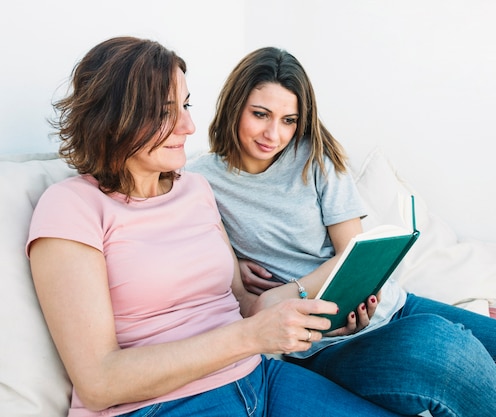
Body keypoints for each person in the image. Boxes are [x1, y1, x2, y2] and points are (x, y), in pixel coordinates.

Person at [186, 46, 496, 417]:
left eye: (289, 120)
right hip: (321, 346)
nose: (274, 134)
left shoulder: (315, 157)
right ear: (233, 105)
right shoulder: (201, 181)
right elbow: (234, 292)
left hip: (390, 307)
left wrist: (291, 292)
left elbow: (351, 252)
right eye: (260, 114)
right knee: (438, 349)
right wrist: (251, 276)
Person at [26, 37, 404, 417]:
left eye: (186, 105)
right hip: (159, 406)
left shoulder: (196, 188)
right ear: (113, 117)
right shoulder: (70, 207)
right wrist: (252, 335)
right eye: (165, 111)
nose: (188, 126)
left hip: (258, 377)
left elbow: (243, 305)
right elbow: (99, 383)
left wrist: (320, 320)